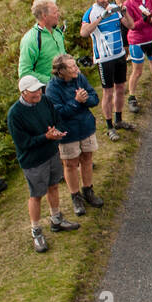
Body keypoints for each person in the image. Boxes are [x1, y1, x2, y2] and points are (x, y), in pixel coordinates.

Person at [6, 74, 79, 251]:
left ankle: (56, 219)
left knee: (53, 186)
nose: (38, 93)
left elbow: (57, 120)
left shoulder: (44, 100)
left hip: (51, 153)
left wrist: (58, 132)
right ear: (23, 93)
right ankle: (36, 231)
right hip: (33, 161)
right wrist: (45, 137)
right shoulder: (15, 114)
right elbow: (23, 143)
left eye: (39, 89)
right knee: (36, 195)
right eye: (33, 91)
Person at [46, 54, 103, 217]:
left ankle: (88, 191)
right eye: (71, 67)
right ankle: (75, 197)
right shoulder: (52, 88)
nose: (76, 69)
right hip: (68, 133)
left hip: (85, 127)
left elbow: (94, 98)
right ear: (61, 71)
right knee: (70, 165)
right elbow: (58, 114)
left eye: (75, 65)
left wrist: (85, 100)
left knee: (87, 159)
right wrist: (76, 101)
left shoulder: (80, 78)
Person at [80, 0, 136, 140]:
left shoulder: (113, 8)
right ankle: (109, 126)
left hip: (119, 55)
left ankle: (119, 120)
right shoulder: (90, 13)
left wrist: (124, 12)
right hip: (104, 59)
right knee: (108, 92)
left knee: (120, 88)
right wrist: (99, 19)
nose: (105, 0)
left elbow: (130, 25)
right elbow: (83, 33)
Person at [17, 0, 66, 85]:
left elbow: (64, 56)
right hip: (46, 90)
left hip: (66, 83)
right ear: (44, 16)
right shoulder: (30, 40)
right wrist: (51, 81)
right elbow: (24, 72)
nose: (58, 14)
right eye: (55, 12)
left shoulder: (57, 32)